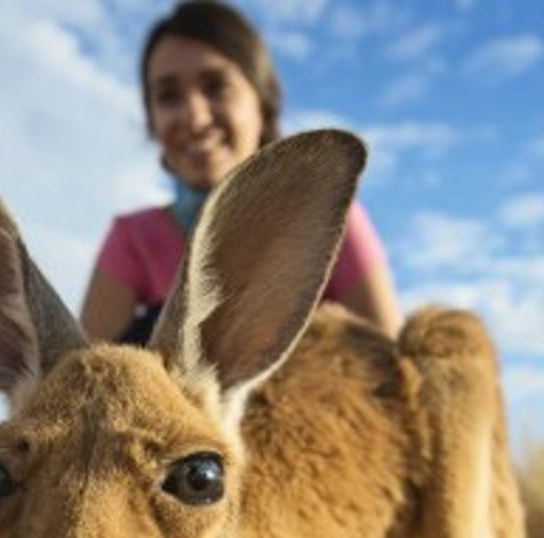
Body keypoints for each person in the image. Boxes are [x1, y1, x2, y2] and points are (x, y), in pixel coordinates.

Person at [80, 0, 403, 346]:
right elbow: (76, 378)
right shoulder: (133, 238)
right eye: (169, 96)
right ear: (152, 120)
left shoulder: (330, 219)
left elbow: (394, 367)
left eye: (216, 86)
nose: (195, 117)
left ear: (261, 102)